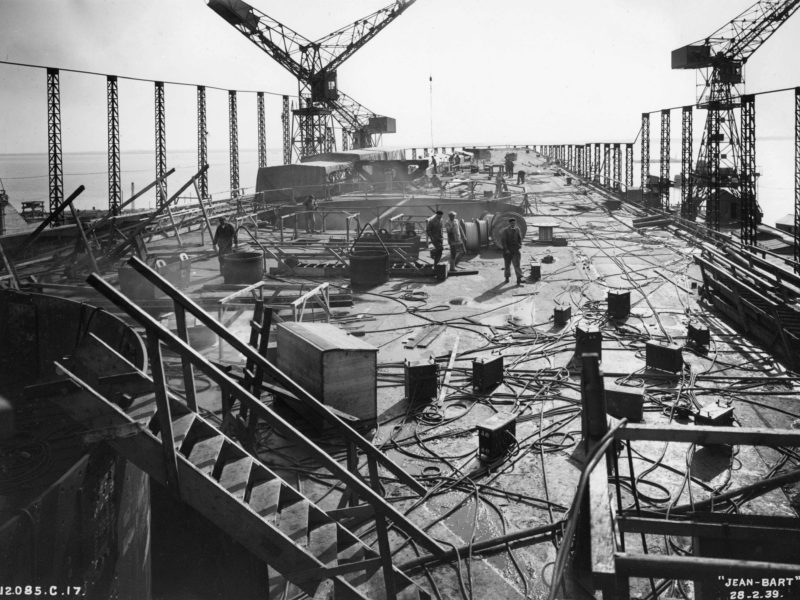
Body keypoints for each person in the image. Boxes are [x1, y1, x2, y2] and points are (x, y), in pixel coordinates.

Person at [500, 217, 524, 285]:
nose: (513, 224)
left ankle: (518, 279)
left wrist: (520, 244)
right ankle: (507, 278)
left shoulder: (517, 229)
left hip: (515, 250)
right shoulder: (505, 231)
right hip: (507, 252)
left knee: (517, 265)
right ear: (509, 223)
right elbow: (503, 241)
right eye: (511, 223)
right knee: (507, 265)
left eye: (514, 223)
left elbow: (519, 238)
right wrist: (506, 250)